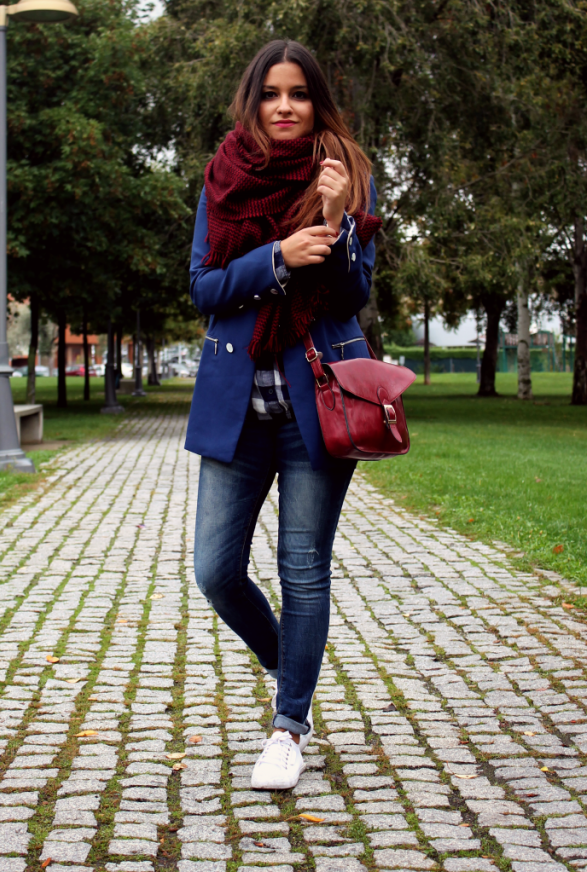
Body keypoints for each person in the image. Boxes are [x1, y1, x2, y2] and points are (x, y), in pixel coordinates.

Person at [186, 39, 381, 790]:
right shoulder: (222, 177)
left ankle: (287, 725)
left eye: (299, 92)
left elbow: (352, 295)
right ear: (253, 99)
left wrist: (334, 222)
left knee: (303, 569)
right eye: (272, 92)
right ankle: (289, 664)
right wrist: (277, 257)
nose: (286, 105)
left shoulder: (345, 173)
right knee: (215, 570)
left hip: (316, 406)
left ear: (315, 99)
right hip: (238, 405)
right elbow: (203, 287)